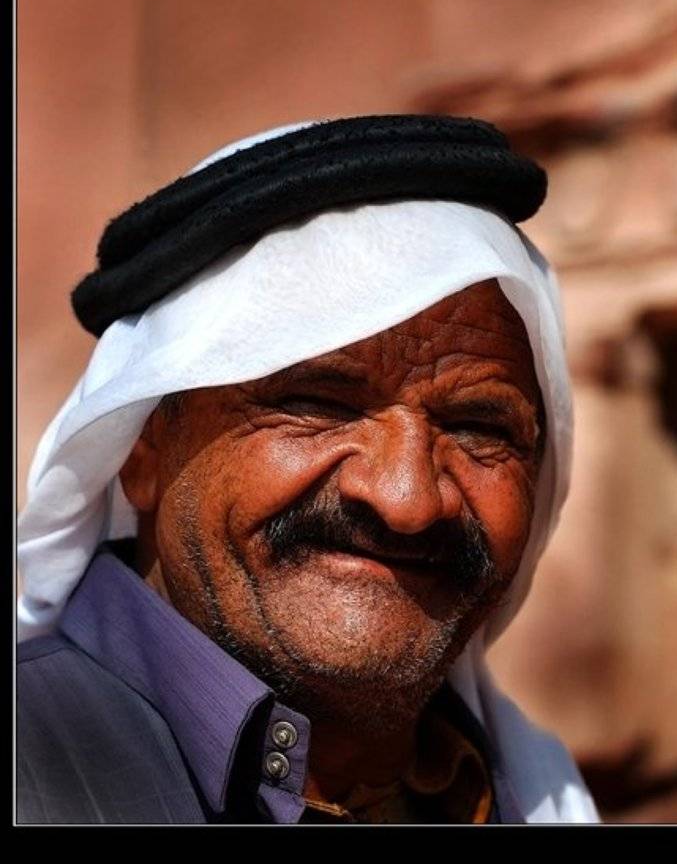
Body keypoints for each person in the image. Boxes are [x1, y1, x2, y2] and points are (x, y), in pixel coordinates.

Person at [17, 115, 600, 824]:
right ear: (142, 450)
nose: (407, 499)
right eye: (317, 405)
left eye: (478, 429)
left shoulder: (535, 795)